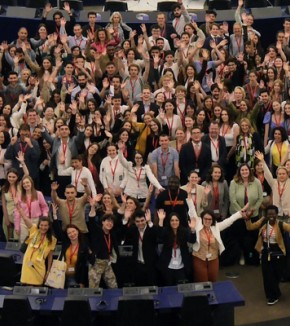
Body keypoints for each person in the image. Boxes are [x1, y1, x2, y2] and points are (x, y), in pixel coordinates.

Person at [187, 197, 248, 282]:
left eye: (210, 219)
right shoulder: (197, 225)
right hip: (199, 259)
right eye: (205, 219)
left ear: (212, 220)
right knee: (202, 281)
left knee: (213, 281)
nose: (207, 221)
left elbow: (229, 221)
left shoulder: (216, 227)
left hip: (213, 259)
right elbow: (192, 212)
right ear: (202, 219)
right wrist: (189, 199)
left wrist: (239, 214)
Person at [245, 205, 290, 305]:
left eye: (273, 214)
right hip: (266, 251)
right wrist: (247, 218)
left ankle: (276, 292)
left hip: (278, 252)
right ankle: (271, 296)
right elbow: (250, 227)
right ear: (266, 214)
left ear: (276, 214)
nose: (271, 216)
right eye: (269, 214)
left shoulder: (281, 224)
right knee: (267, 275)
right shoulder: (263, 221)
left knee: (277, 275)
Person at [229, 164, 263, 265]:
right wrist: (242, 213)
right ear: (239, 171)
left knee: (252, 238)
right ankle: (241, 255)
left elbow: (260, 198)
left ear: (250, 171)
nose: (244, 172)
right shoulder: (233, 182)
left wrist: (252, 210)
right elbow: (233, 200)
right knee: (240, 237)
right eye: (242, 170)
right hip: (238, 215)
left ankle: (252, 257)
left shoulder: (256, 182)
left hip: (253, 215)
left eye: (246, 170)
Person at [16, 204, 56, 286]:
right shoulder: (34, 230)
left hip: (39, 267)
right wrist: (19, 209)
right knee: (25, 288)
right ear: (39, 225)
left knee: (36, 289)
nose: (43, 227)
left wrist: (48, 271)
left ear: (49, 226)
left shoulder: (52, 239)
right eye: (41, 225)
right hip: (27, 264)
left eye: (45, 226)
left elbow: (50, 257)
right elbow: (25, 219)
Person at [52, 203, 90, 288]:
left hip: (76, 277)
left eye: (73, 231)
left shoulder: (83, 247)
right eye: (69, 233)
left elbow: (84, 266)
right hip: (61, 276)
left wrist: (82, 282)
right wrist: (54, 215)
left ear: (78, 232)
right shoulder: (66, 243)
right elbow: (57, 230)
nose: (72, 234)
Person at [157, 209, 196, 286]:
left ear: (179, 221)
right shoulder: (166, 231)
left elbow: (192, 240)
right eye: (172, 220)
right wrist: (161, 220)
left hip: (181, 266)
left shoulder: (184, 231)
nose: (174, 222)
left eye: (176, 220)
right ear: (169, 222)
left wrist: (192, 229)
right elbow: (159, 236)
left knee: (181, 288)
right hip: (168, 266)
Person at [88, 198, 119, 289]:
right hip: (96, 263)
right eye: (108, 221)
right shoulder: (97, 231)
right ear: (102, 222)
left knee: (114, 287)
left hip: (107, 263)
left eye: (112, 222)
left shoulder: (111, 234)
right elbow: (92, 220)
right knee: (93, 289)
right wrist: (93, 207)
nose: (110, 223)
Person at [14, 176, 49, 243]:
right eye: (24, 183)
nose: (26, 185)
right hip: (24, 222)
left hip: (36, 221)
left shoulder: (38, 194)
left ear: (31, 183)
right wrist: (17, 226)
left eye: (27, 182)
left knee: (36, 242)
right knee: (24, 243)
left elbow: (44, 207)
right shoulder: (19, 195)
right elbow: (17, 212)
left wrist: (44, 218)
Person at [255, 151, 290, 217]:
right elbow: (267, 174)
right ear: (277, 175)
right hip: (276, 214)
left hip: (288, 214)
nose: (281, 175)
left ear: (287, 174)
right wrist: (262, 160)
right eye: (279, 174)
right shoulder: (274, 182)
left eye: (283, 174)